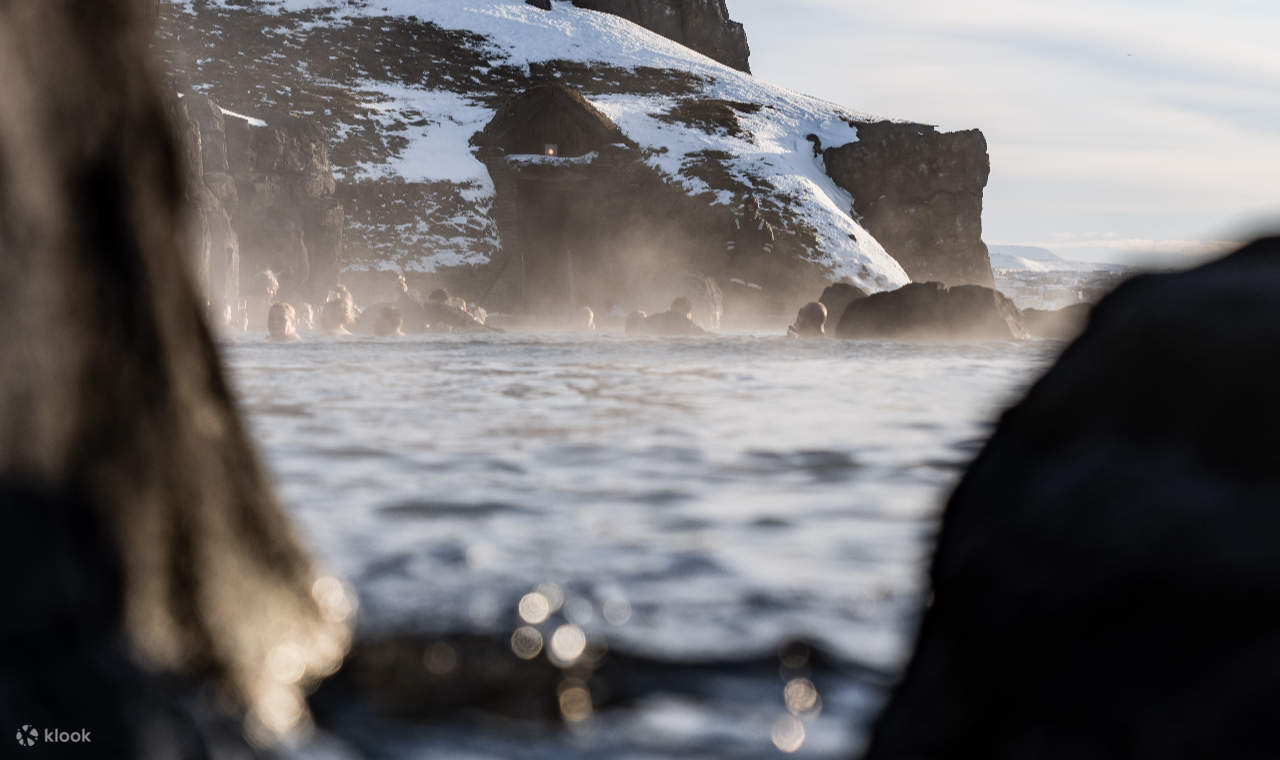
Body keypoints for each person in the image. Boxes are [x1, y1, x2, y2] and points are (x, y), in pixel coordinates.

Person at [725, 195, 775, 261]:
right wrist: (733, 256)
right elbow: (729, 239)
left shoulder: (763, 224)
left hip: (757, 262)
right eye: (748, 207)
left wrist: (763, 257)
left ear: (756, 208)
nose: (750, 209)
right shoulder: (737, 222)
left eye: (752, 207)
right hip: (739, 261)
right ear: (745, 208)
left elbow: (770, 241)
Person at [632, 297, 706, 336]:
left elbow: (638, 327)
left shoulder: (657, 317)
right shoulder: (687, 324)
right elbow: (704, 335)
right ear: (685, 310)